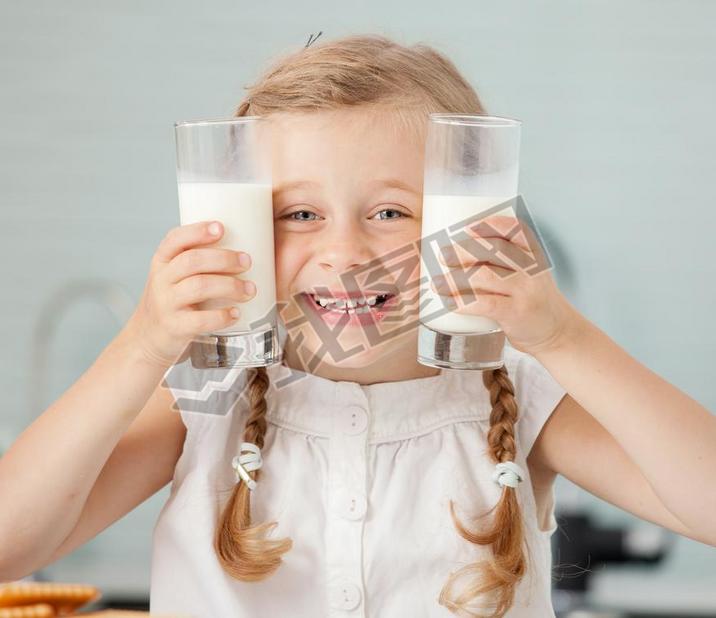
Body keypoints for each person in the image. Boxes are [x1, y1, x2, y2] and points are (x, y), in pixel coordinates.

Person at [1, 33, 714, 618]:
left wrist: (565, 338)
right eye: (300, 214)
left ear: (462, 222)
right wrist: (139, 348)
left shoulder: (522, 395)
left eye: (390, 213)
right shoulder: (205, 394)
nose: (343, 253)